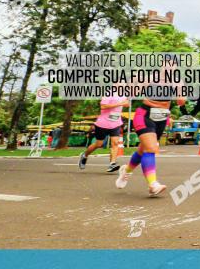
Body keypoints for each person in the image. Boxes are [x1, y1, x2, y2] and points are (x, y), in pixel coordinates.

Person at [116, 56, 186, 197]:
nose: (169, 68)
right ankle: (153, 184)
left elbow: (181, 102)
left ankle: (127, 171)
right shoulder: (150, 78)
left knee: (143, 149)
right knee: (151, 148)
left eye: (172, 66)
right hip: (144, 115)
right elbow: (132, 93)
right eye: (167, 65)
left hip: (161, 118)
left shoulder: (177, 82)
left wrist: (179, 93)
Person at [79, 95, 127, 172]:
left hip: (116, 123)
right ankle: (84, 155)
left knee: (115, 143)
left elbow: (127, 103)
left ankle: (112, 164)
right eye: (121, 82)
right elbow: (103, 106)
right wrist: (120, 104)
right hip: (103, 123)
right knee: (98, 144)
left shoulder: (124, 95)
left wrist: (126, 103)